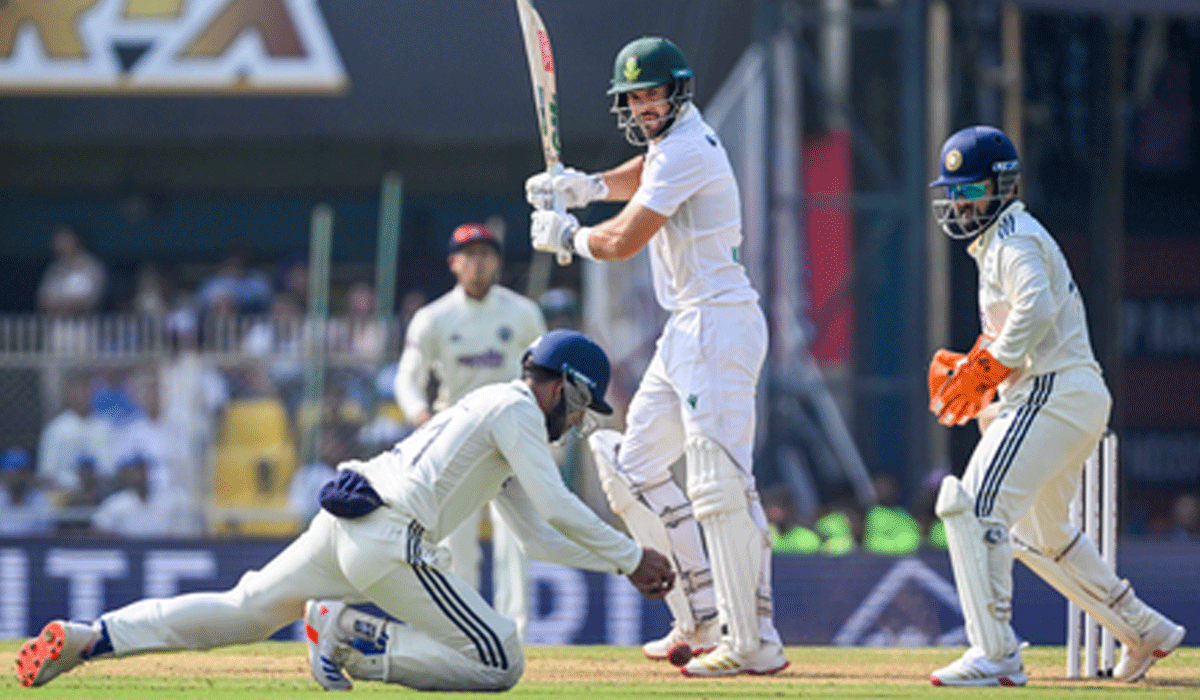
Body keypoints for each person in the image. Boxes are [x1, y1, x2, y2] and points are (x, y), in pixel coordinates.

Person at [15, 330, 676, 692]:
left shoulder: (493, 412)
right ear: (560, 386)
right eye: (581, 408)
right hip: (390, 536)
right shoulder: (515, 410)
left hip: (347, 524)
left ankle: (91, 638)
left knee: (241, 609)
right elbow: (559, 507)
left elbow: (536, 536)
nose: (576, 423)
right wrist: (631, 553)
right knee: (500, 658)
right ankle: (355, 640)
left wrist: (622, 569)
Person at [524, 36, 786, 676]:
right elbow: (643, 173)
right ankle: (696, 615)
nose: (643, 107)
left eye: (652, 94)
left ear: (678, 92)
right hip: (688, 329)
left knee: (720, 483)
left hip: (719, 326)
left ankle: (752, 639)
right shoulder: (674, 146)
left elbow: (623, 240)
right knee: (630, 464)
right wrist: (585, 186)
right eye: (633, 98)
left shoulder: (690, 147)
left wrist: (570, 233)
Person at [925, 125, 1185, 686]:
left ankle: (995, 654)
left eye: (970, 192)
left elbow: (1036, 307)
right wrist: (980, 363)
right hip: (1065, 394)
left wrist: (989, 370)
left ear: (1001, 188)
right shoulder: (999, 241)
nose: (961, 204)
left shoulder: (1013, 239)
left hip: (1052, 391)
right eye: (955, 193)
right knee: (1039, 535)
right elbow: (1021, 323)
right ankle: (1143, 631)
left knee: (971, 508)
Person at [393, 223, 547, 640]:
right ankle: (464, 634)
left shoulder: (522, 313)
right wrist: (420, 414)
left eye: (486, 254)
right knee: (454, 542)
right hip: (455, 438)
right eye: (469, 255)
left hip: (510, 438)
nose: (477, 262)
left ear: (497, 261)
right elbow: (407, 378)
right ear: (453, 264)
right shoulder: (434, 318)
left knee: (516, 539)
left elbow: (547, 375)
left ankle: (516, 634)